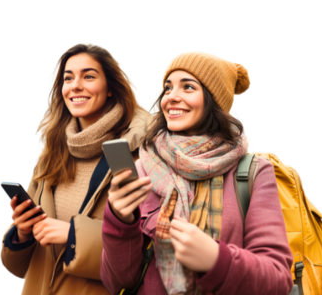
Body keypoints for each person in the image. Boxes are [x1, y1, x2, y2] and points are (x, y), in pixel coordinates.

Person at [100, 51, 293, 294]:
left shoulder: (253, 172)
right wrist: (119, 220)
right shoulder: (143, 168)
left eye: (188, 87)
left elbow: (277, 279)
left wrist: (216, 259)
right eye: (168, 88)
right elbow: (117, 281)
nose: (171, 97)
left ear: (214, 100)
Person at [0, 42, 151, 295]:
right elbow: (19, 268)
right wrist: (23, 233)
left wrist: (73, 235)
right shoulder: (49, 155)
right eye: (68, 78)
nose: (75, 85)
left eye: (88, 76)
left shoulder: (136, 154)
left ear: (111, 88)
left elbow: (139, 256)